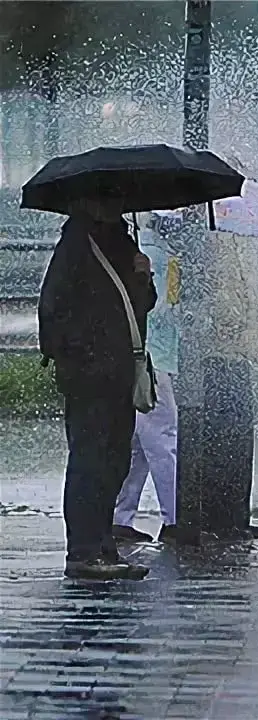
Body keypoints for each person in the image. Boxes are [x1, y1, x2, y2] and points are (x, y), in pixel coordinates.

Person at [38, 200, 157, 581]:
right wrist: (83, 353)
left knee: (115, 460)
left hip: (120, 372)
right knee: (90, 460)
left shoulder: (120, 241)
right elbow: (52, 308)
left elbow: (139, 308)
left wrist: (142, 277)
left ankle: (103, 543)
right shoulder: (76, 244)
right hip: (90, 375)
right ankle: (84, 550)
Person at [112, 217, 181, 544]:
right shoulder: (160, 256)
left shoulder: (140, 250)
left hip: (140, 356)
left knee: (138, 445)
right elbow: (164, 310)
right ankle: (175, 519)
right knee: (163, 438)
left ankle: (120, 516)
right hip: (156, 359)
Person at [202, 218, 258, 540]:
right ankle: (217, 518)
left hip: (244, 349)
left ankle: (237, 516)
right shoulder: (202, 228)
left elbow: (252, 286)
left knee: (241, 433)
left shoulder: (246, 233)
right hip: (214, 349)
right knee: (218, 435)